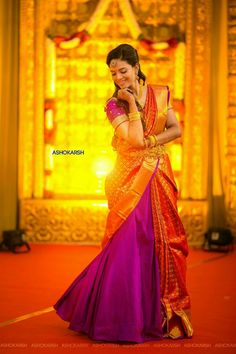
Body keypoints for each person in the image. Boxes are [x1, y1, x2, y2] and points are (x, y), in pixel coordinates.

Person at [53, 43, 193, 343]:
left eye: (123, 71)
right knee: (128, 246)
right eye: (113, 73)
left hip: (158, 175)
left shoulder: (160, 93)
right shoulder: (114, 105)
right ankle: (117, 319)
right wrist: (131, 105)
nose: (118, 78)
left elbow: (175, 130)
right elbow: (135, 140)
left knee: (161, 243)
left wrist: (155, 138)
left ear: (136, 66)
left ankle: (159, 317)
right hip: (128, 181)